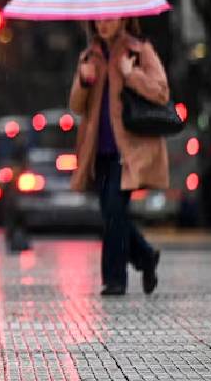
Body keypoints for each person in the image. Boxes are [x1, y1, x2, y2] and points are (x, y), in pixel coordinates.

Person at [69, 17, 169, 296]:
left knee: (114, 213)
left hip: (127, 152)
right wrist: (84, 81)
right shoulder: (89, 56)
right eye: (98, 20)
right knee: (113, 215)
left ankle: (114, 280)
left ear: (123, 19)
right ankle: (146, 257)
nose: (103, 24)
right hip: (97, 151)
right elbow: (76, 106)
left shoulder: (139, 51)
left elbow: (161, 92)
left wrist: (131, 75)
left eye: (109, 19)